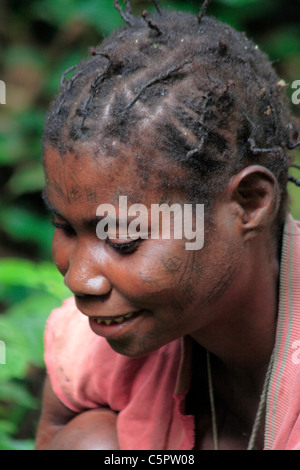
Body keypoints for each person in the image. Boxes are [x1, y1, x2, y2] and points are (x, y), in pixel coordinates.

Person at [35, 0, 300, 450]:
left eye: (122, 237)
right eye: (65, 227)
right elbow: (58, 432)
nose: (79, 279)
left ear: (250, 203)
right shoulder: (98, 347)